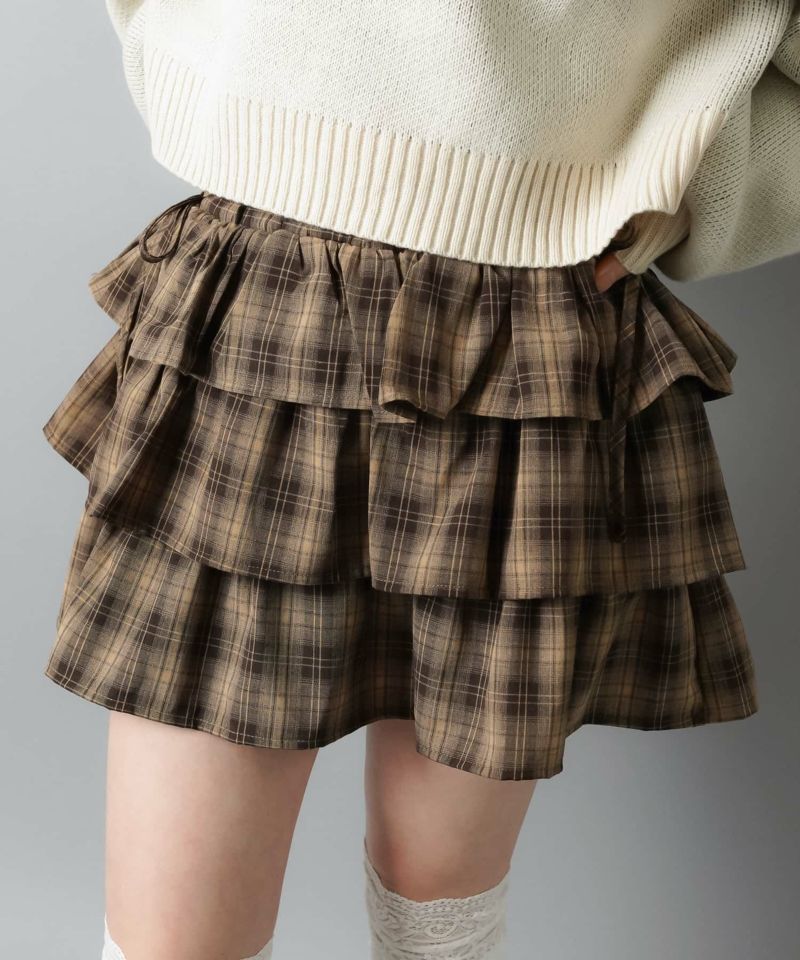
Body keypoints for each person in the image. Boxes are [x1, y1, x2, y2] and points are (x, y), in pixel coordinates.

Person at [40, 2, 799, 958]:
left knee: (440, 926)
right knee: (175, 940)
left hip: (532, 338)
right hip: (264, 295)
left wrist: (670, 195)